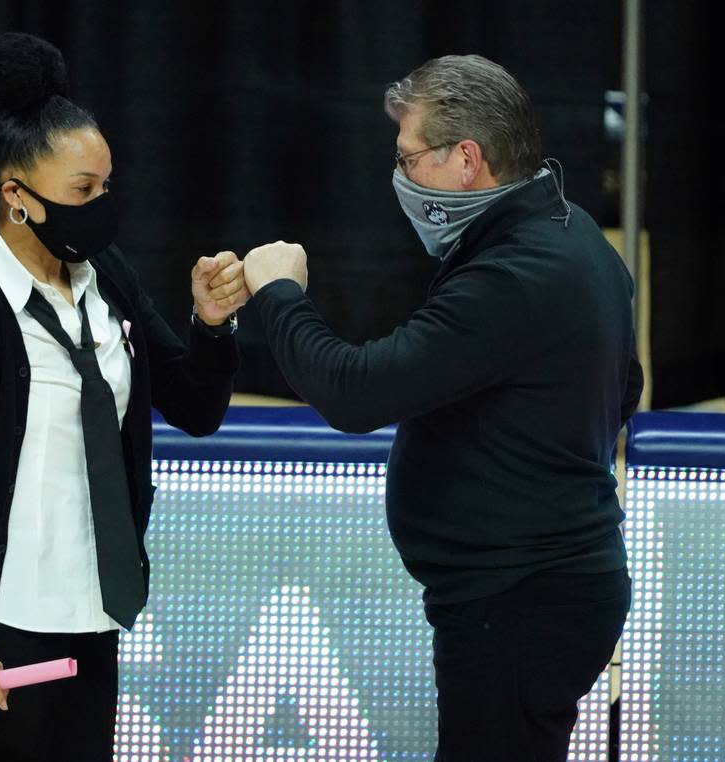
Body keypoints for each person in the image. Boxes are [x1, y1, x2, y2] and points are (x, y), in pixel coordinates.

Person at [242, 54, 644, 761]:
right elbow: (626, 389)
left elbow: (355, 392)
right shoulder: (571, 233)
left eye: (411, 159)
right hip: (542, 589)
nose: (400, 177)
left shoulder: (516, 276)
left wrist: (279, 294)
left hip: (521, 599)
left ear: (468, 159)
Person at [0, 33, 248, 761]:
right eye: (82, 191)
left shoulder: (107, 276)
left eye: (106, 186)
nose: (102, 205)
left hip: (92, 618)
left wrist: (210, 324)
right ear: (16, 195)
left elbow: (197, 410)